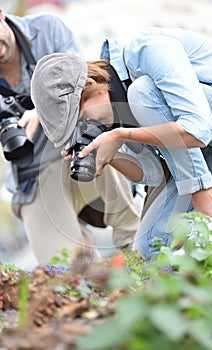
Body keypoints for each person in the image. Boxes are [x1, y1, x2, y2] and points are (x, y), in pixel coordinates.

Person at [30, 49, 212, 258]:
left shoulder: (146, 51)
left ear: (90, 85)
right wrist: (110, 156)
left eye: (81, 118)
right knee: (152, 244)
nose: (86, 127)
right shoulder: (115, 115)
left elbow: (199, 129)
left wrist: (126, 134)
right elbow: (152, 174)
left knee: (142, 92)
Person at [0, 9, 140, 265]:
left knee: (136, 236)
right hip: (33, 178)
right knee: (66, 272)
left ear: (1, 14)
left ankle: (142, 255)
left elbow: (80, 85)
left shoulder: (47, 29)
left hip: (78, 149)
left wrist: (40, 112)